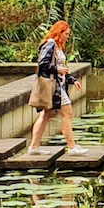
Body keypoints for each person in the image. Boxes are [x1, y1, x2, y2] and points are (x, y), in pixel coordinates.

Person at [26, 20, 77, 152]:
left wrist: (71, 79)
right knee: (67, 113)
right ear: (59, 33)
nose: (67, 37)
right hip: (54, 87)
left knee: (46, 115)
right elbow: (43, 64)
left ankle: (34, 146)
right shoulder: (50, 44)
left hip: (59, 84)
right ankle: (72, 147)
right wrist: (57, 69)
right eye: (66, 34)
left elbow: (62, 68)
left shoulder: (58, 47)